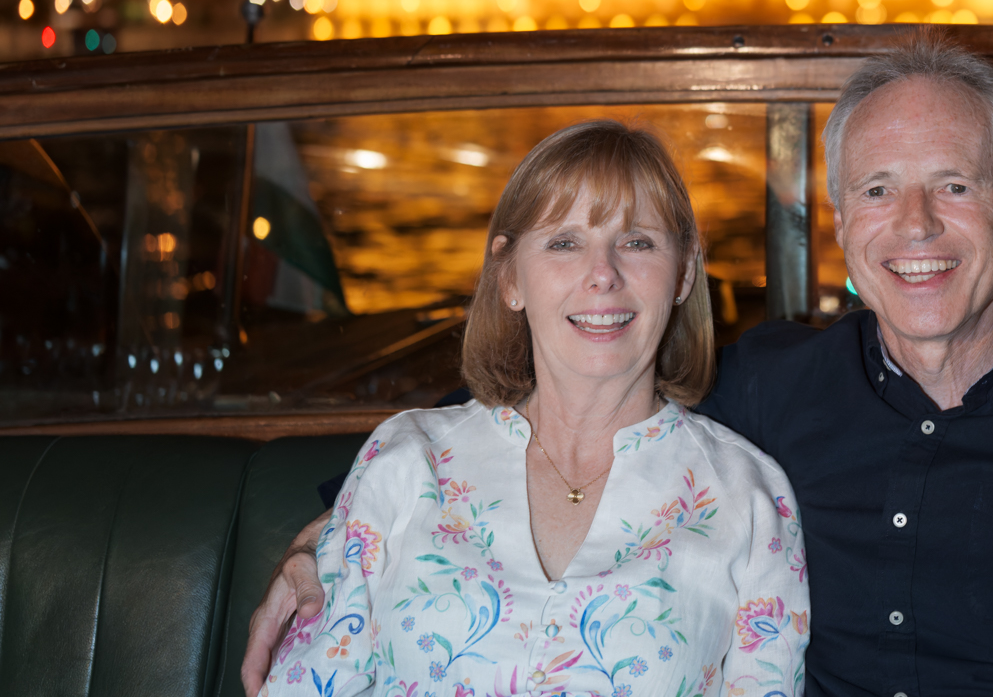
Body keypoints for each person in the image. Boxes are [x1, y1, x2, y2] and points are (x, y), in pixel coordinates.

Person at [247, 34, 993, 697]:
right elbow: (573, 372)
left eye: (954, 185)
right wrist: (330, 535)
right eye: (877, 190)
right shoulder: (774, 389)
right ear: (838, 225)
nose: (914, 225)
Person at [255, 121, 808, 697]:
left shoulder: (749, 500)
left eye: (637, 241)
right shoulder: (406, 460)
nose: (603, 275)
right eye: (565, 242)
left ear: (685, 272)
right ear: (509, 276)